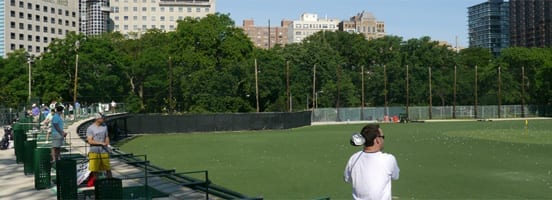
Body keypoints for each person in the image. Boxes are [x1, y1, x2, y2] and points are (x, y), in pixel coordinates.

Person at [344, 124, 400, 200]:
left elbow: (347, 179)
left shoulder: (353, 158)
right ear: (377, 140)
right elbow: (395, 176)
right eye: (383, 137)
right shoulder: (389, 159)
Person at [86, 113, 112, 187]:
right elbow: (90, 141)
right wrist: (101, 143)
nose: (104, 119)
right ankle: (97, 185)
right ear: (97, 119)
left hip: (104, 151)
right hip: (94, 151)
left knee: (108, 168)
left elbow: (106, 136)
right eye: (102, 118)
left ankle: (111, 183)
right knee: (95, 170)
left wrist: (107, 143)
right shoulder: (90, 128)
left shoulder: (104, 126)